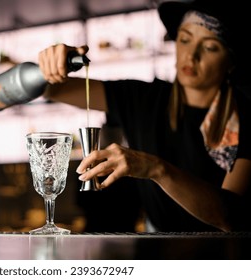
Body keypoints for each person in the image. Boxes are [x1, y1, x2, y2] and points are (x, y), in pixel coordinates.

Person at [37, 0, 251, 232]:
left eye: (210, 47)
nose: (191, 55)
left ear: (231, 61)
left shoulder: (246, 117)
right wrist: (52, 65)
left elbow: (231, 216)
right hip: (160, 253)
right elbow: (48, 90)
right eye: (185, 39)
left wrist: (156, 169)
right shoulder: (142, 99)